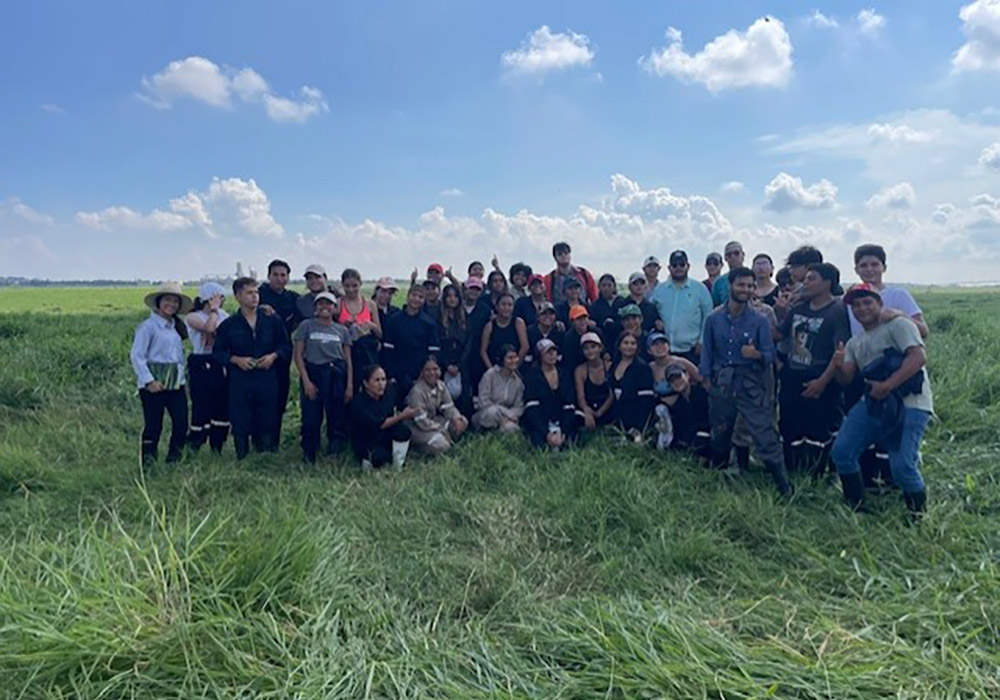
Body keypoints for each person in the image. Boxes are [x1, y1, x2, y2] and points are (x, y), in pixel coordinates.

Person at [831, 284, 933, 516]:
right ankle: (856, 507)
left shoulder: (899, 325)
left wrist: (888, 385)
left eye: (867, 302)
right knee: (842, 452)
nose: (862, 308)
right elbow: (846, 378)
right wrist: (837, 365)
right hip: (875, 403)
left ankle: (917, 518)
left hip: (910, 403)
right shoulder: (855, 342)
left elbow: (918, 357)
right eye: (856, 305)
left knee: (903, 466)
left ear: (880, 304)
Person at [700, 267, 791, 496]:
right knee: (720, 431)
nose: (746, 289)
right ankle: (718, 478)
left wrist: (757, 354)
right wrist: (706, 380)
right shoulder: (713, 318)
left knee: (764, 433)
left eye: (750, 286)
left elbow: (770, 355)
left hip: (751, 382)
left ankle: (784, 487)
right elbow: (707, 353)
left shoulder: (759, 320)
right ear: (730, 286)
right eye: (741, 285)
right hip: (722, 381)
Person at [775, 263, 851, 475]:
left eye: (812, 279)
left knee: (818, 427)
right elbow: (780, 334)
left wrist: (823, 382)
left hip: (821, 377)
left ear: (827, 283)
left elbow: (839, 353)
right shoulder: (797, 308)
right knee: (790, 425)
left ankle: (816, 475)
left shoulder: (836, 311)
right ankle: (792, 472)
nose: (805, 283)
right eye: (806, 278)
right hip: (793, 375)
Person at [212, 277, 291, 459]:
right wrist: (236, 359)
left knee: (267, 415)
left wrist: (273, 356)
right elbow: (218, 353)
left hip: (267, 376)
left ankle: (264, 455)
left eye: (256, 292)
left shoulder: (272, 320)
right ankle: (242, 456)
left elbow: (285, 346)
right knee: (240, 417)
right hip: (241, 378)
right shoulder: (229, 325)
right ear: (238, 296)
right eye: (249, 293)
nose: (254, 296)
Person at [131, 282, 192, 465]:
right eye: (167, 300)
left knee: (181, 423)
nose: (171, 304)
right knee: (154, 425)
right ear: (158, 303)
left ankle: (174, 459)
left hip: (175, 383)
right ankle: (148, 462)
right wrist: (149, 381)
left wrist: (182, 380)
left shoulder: (176, 327)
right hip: (153, 385)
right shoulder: (148, 327)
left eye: (175, 301)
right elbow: (137, 355)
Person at [293, 292, 353, 463]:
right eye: (321, 304)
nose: (325, 307)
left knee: (336, 415)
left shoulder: (342, 330)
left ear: (335, 308)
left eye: (329, 304)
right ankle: (309, 452)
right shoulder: (307, 326)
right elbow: (298, 355)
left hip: (335, 374)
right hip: (313, 373)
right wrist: (306, 381)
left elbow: (348, 360)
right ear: (315, 308)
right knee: (311, 416)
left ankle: (334, 450)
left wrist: (349, 385)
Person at [258, 259, 300, 444]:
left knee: (281, 396)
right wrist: (258, 308)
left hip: (283, 352)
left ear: (288, 278)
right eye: (275, 274)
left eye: (283, 275)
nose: (279, 278)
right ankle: (258, 440)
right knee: (262, 397)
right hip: (261, 351)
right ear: (268, 276)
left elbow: (315, 306)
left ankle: (274, 441)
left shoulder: (292, 298)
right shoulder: (258, 294)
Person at [185, 282, 229, 454]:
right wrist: (213, 311)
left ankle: (217, 444)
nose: (222, 301)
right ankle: (196, 441)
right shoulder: (193, 316)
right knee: (201, 403)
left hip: (219, 361)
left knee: (221, 404)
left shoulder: (225, 315)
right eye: (219, 297)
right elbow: (209, 329)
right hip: (200, 361)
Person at [850, 244, 928, 338]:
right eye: (863, 266)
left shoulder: (898, 295)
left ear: (884, 268)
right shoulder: (850, 300)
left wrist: (900, 315)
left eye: (874, 265)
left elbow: (923, 331)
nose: (869, 269)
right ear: (856, 270)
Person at [650, 250, 714, 364]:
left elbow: (708, 317)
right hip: (665, 352)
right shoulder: (660, 290)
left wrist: (702, 341)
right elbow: (650, 311)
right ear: (669, 268)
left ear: (688, 266)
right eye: (674, 265)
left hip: (693, 351)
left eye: (682, 264)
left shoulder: (700, 289)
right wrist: (656, 320)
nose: (678, 268)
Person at [382, 285, 442, 404]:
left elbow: (433, 352)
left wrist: (424, 375)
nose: (416, 299)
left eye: (420, 297)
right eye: (414, 295)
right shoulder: (393, 320)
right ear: (408, 297)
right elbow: (387, 350)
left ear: (424, 300)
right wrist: (390, 375)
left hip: (419, 374)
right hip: (397, 373)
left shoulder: (429, 323)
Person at [349, 364, 415, 469]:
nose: (381, 384)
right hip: (367, 441)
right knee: (380, 459)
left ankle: (399, 466)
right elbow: (379, 424)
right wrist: (402, 416)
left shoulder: (389, 392)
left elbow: (401, 404)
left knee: (403, 431)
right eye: (377, 380)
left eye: (383, 379)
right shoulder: (358, 403)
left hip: (385, 436)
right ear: (366, 383)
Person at [406, 355, 469, 455]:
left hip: (432, 421)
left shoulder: (441, 385)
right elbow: (421, 421)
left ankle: (446, 441)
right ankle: (415, 450)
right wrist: (441, 429)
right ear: (421, 372)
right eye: (427, 370)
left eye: (435, 369)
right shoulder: (417, 391)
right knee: (442, 445)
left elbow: (449, 407)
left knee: (463, 421)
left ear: (440, 370)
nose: (432, 373)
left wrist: (456, 418)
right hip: (416, 427)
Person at [522, 339, 578, 449]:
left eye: (554, 351)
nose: (552, 355)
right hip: (541, 422)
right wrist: (546, 433)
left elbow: (569, 404)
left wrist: (563, 431)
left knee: (570, 442)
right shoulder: (533, 376)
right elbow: (531, 408)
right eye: (548, 352)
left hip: (561, 421)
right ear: (540, 356)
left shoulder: (564, 374)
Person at [338, 268, 382, 387]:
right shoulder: (338, 304)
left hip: (367, 354)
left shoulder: (370, 305)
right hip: (346, 352)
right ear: (342, 285)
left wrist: (371, 326)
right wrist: (344, 325)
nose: (351, 289)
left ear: (360, 284)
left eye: (354, 285)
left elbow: (380, 333)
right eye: (347, 286)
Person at [609, 332, 655, 442]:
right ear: (619, 346)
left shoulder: (642, 367)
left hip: (635, 417)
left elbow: (646, 401)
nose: (629, 346)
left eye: (633, 343)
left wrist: (639, 428)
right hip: (618, 417)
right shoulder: (614, 364)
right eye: (625, 343)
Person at [660, 363, 711, 458]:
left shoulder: (703, 394)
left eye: (678, 377)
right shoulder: (678, 404)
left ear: (687, 375)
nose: (676, 382)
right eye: (672, 380)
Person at [437, 283, 473, 414]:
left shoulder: (465, 319)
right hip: (443, 363)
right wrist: (447, 365)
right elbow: (437, 344)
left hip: (461, 363)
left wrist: (459, 365)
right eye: (449, 296)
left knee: (463, 396)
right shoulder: (438, 319)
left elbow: (469, 343)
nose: (452, 299)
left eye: (455, 296)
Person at [472, 345, 525, 433]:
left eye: (515, 357)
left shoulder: (518, 382)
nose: (513, 361)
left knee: (511, 428)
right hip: (486, 414)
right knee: (492, 413)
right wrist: (502, 412)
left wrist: (509, 416)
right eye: (510, 358)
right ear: (502, 360)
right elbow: (483, 401)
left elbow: (519, 406)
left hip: (508, 418)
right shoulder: (490, 375)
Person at [575, 332, 614, 435]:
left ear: (600, 348)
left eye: (593, 347)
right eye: (586, 348)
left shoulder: (610, 366)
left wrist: (600, 412)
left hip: (607, 407)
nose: (590, 351)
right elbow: (581, 397)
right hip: (590, 406)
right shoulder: (580, 370)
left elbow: (612, 394)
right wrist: (587, 410)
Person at [481, 293, 529, 370]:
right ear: (497, 307)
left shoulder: (518, 323)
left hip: (515, 366)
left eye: (510, 305)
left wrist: (515, 366)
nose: (506, 308)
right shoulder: (490, 326)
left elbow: (525, 347)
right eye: (503, 304)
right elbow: (483, 351)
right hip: (495, 368)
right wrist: (491, 369)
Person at [525, 301, 564, 369]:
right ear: (537, 316)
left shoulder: (559, 331)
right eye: (544, 314)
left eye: (551, 314)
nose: (548, 317)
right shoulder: (530, 331)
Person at [711, 241, 746, 306]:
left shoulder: (753, 278)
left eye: (736, 253)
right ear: (725, 258)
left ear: (743, 255)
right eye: (729, 254)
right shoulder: (719, 283)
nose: (733, 257)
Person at [590, 273, 623, 340]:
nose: (606, 288)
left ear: (614, 287)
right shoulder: (595, 306)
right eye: (603, 285)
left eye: (609, 285)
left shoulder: (622, 302)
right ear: (599, 287)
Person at [560, 305, 593, 372]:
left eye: (584, 317)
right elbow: (570, 361)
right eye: (578, 318)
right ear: (572, 322)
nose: (582, 321)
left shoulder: (596, 332)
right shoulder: (568, 338)